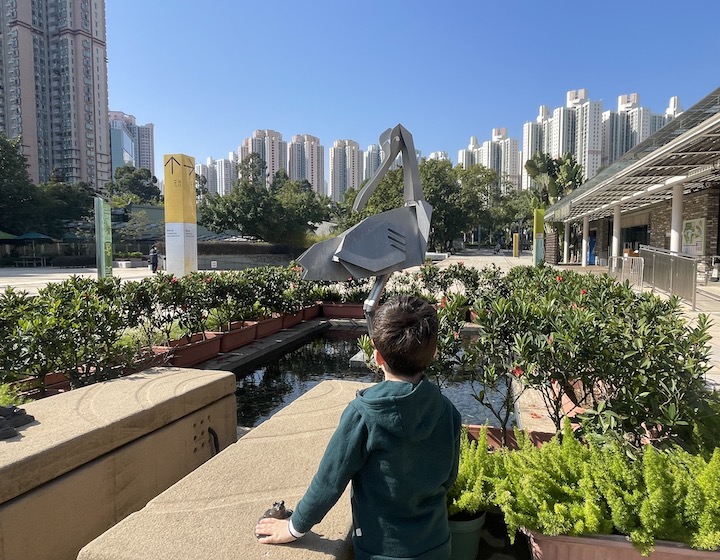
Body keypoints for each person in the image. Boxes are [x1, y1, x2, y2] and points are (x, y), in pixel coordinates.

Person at [255, 296, 462, 559]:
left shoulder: (363, 415)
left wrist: (295, 527)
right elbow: (448, 477)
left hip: (381, 549)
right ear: (432, 353)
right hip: (437, 544)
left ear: (376, 355)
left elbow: (329, 481)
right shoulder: (448, 412)